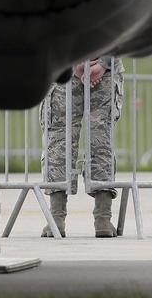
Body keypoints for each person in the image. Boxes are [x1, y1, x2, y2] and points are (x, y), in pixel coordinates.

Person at [40, 56, 123, 238]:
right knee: (101, 138)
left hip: (63, 67)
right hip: (100, 65)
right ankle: (103, 219)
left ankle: (56, 219)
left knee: (60, 139)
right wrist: (103, 63)